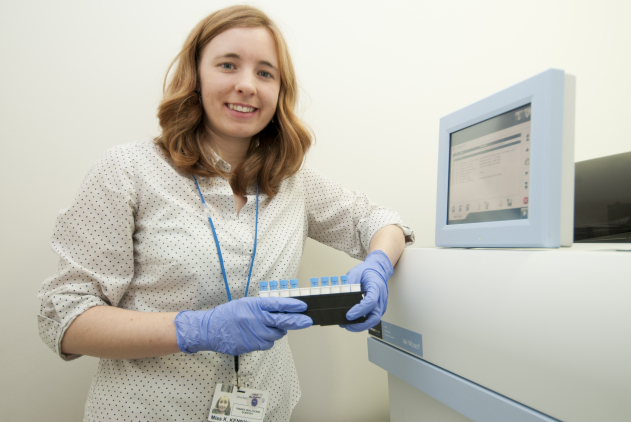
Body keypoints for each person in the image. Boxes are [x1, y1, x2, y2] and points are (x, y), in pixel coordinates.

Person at [37, 5, 413, 422]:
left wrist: (378, 264)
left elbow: (379, 221)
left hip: (267, 408)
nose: (247, 85)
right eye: (228, 65)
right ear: (196, 77)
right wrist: (197, 330)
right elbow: (65, 318)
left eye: (265, 73)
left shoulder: (294, 181)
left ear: (279, 91)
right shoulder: (128, 170)